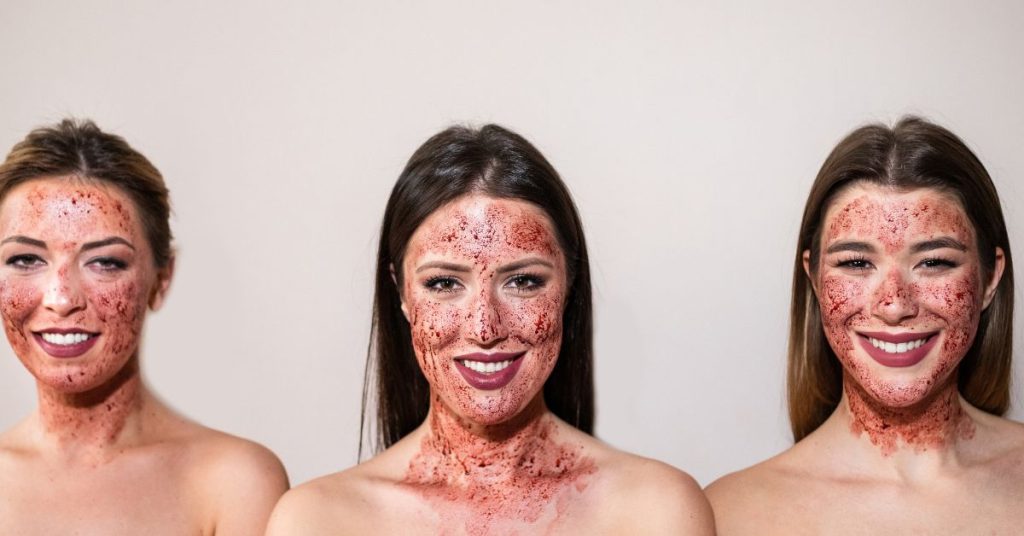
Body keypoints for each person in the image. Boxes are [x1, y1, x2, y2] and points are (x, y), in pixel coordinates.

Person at [267, 124, 714, 535]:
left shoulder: (655, 510)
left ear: (568, 286)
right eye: (444, 283)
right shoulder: (317, 520)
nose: (485, 327)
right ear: (400, 291)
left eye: (524, 281)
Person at [706, 116, 1024, 534]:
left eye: (934, 262)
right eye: (856, 263)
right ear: (815, 280)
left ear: (990, 278)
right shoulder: (727, 515)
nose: (894, 305)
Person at [0, 119, 288, 534]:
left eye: (105, 262)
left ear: (161, 280)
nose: (61, 298)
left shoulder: (234, 483)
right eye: (25, 259)